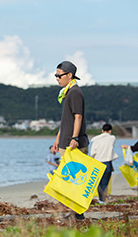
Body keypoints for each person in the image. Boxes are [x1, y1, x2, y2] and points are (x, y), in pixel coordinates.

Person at [53, 60, 89, 220]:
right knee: (69, 181)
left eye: (59, 75)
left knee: (74, 180)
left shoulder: (75, 92)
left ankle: (77, 214)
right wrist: (57, 138)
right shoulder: (68, 92)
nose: (57, 78)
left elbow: (78, 116)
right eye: (55, 75)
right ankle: (75, 213)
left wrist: (74, 138)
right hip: (65, 142)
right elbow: (66, 120)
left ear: (69, 75)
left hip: (73, 143)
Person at [90, 123, 118, 203]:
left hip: (97, 162)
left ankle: (100, 199)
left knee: (98, 182)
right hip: (107, 162)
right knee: (105, 183)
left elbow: (92, 153)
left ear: (102, 130)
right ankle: (103, 200)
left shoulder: (95, 139)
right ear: (110, 131)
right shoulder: (112, 138)